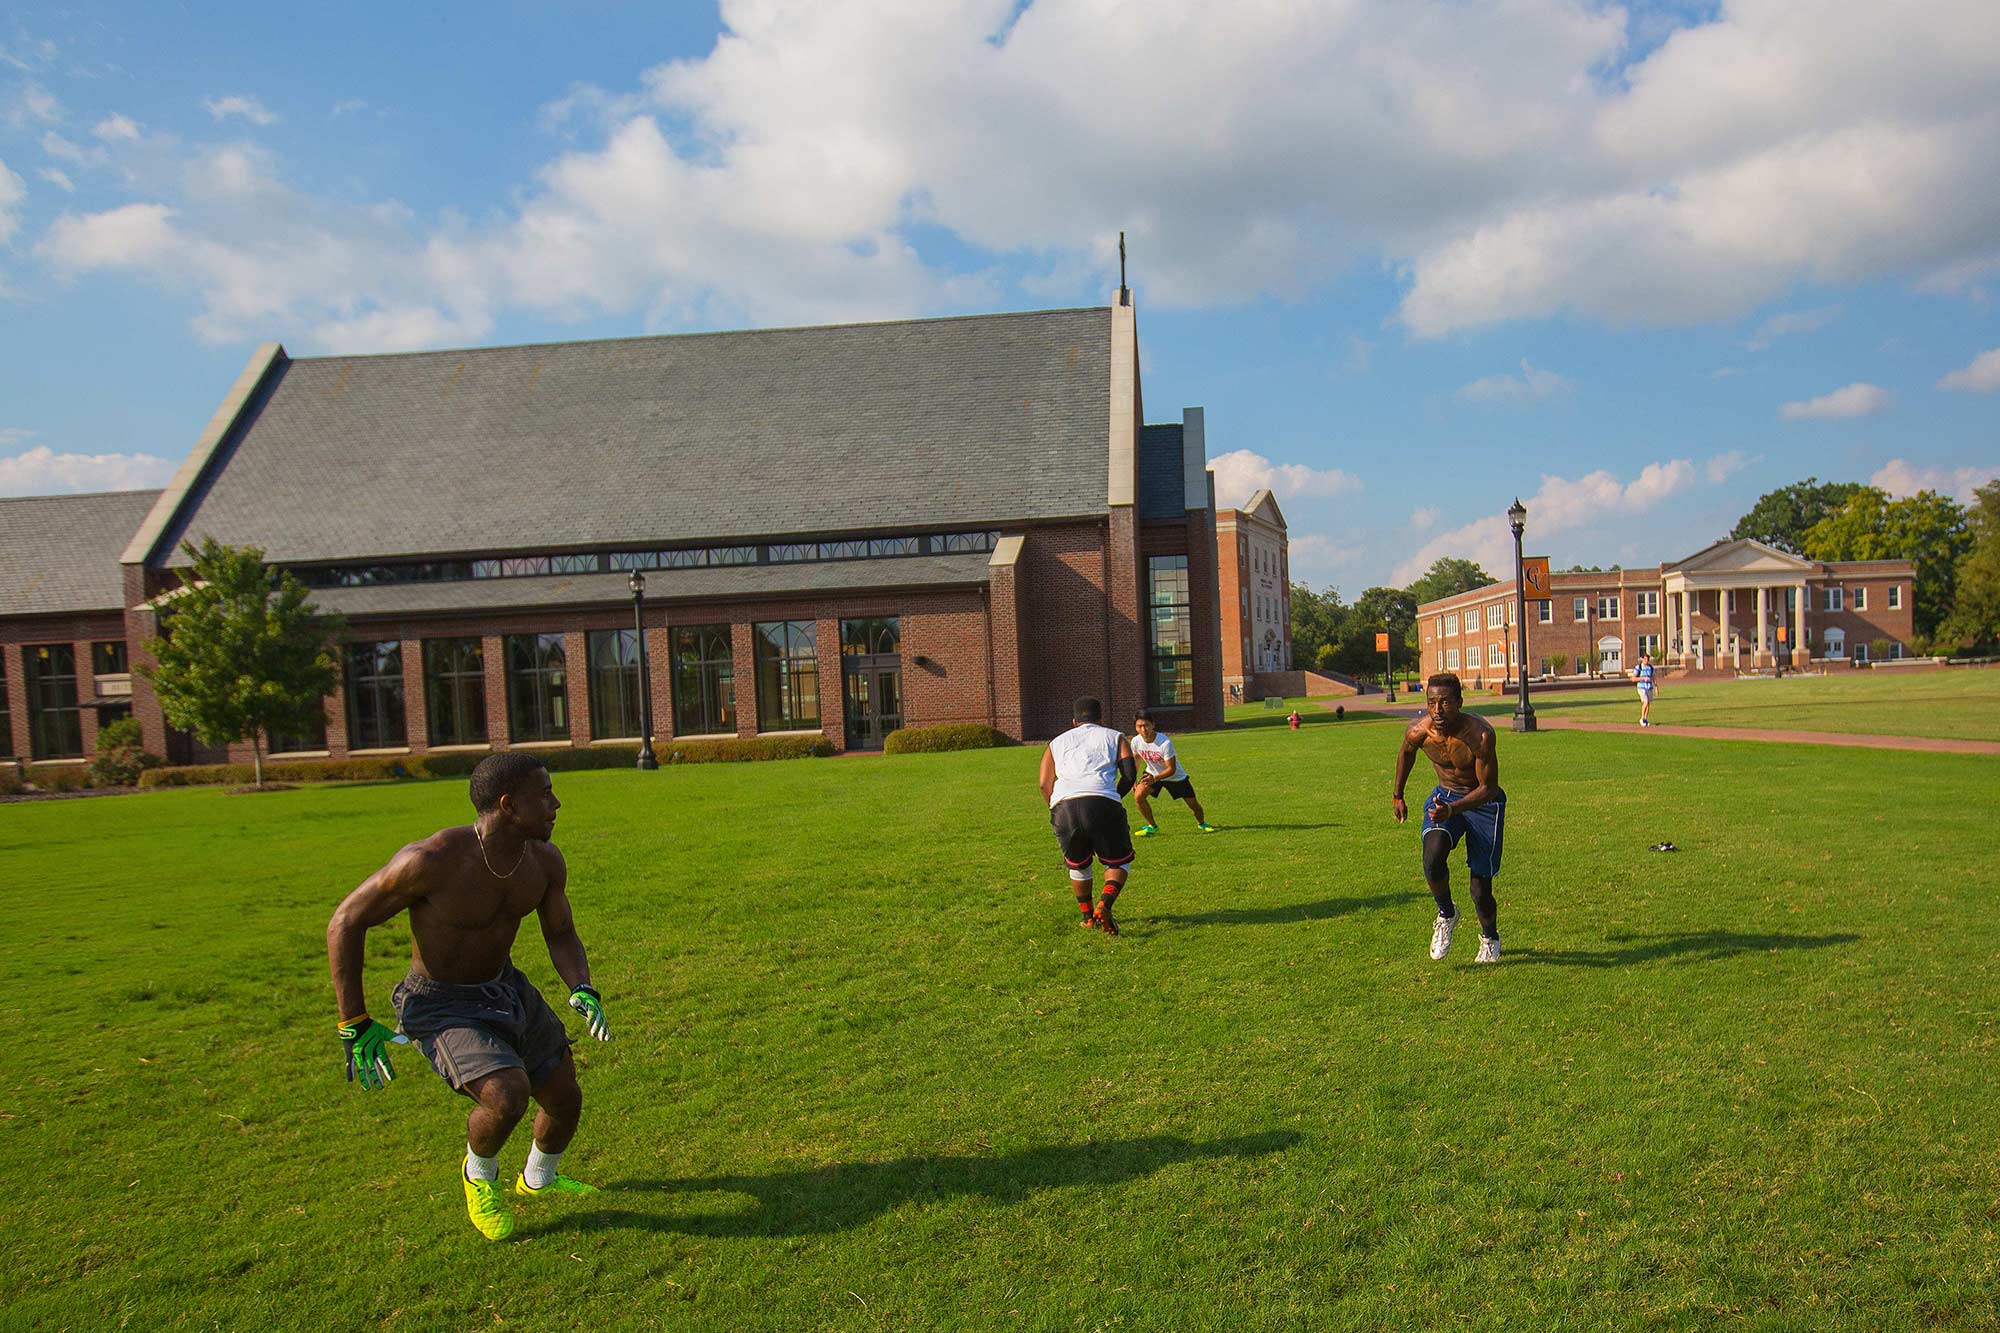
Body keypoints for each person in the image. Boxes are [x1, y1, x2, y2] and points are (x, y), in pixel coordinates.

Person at [326, 752, 612, 1241]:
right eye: (543, 794)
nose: (555, 804)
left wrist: (581, 986)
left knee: (564, 1096)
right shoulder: (431, 861)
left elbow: (561, 933)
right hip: (440, 1001)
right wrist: (353, 1019)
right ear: (508, 805)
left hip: (505, 987)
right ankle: (479, 1178)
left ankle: (538, 1180)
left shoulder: (544, 861)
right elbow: (346, 921)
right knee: (506, 1096)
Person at [1390, 672, 1506, 964]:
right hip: (1446, 796)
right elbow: (1406, 753)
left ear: (1459, 702)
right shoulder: (1420, 731)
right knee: (1432, 855)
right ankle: (1446, 913)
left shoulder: (1480, 735)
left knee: (1480, 888)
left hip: (1483, 804)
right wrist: (1397, 794)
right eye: (1431, 703)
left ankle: (1489, 937)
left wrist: (1454, 810)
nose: (1437, 710)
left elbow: (1488, 788)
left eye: (1445, 702)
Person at [1039, 696, 1140, 935]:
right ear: (1100, 718)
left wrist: (1055, 808)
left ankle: (1087, 917)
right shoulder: (1115, 737)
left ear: (1074, 721)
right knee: (1118, 861)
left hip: (1063, 806)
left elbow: (1044, 784)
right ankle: (1104, 904)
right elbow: (1129, 775)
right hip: (1102, 802)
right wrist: (1112, 797)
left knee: (1079, 865)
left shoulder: (1056, 743)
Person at [1130, 708, 1216, 836]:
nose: (1143, 730)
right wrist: (1133, 780)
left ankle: (1202, 823)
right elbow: (1136, 760)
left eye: (1146, 725)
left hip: (1175, 777)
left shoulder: (1165, 742)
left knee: (1194, 805)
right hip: (1152, 774)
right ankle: (1152, 826)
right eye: (1139, 726)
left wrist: (1154, 779)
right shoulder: (1136, 741)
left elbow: (1171, 769)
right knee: (1138, 796)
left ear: (1153, 725)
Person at [1635, 650, 1658, 727]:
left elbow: (1654, 677)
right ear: (1642, 659)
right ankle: (1642, 718)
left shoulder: (1650, 667)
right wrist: (1643, 678)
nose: (1646, 661)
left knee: (1648, 704)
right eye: (1645, 659)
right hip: (1641, 687)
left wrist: (1656, 687)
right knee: (1646, 701)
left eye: (1647, 659)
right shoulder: (1639, 667)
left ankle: (1645, 719)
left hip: (1649, 687)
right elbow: (1633, 678)